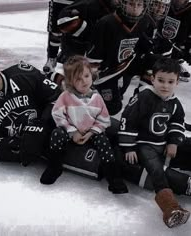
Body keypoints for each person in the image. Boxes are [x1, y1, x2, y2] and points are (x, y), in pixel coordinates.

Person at [118, 57, 190, 228]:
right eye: (161, 80)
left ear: (177, 82)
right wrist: (129, 147)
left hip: (164, 143)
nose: (165, 85)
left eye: (170, 81)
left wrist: (173, 142)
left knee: (187, 146)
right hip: (144, 145)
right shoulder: (144, 97)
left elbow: (177, 122)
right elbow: (128, 119)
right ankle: (170, 207)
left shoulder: (174, 103)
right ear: (152, 79)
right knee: (156, 170)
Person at [40, 55, 128, 194]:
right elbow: (57, 114)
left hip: (90, 133)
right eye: (78, 79)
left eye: (86, 76)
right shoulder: (66, 96)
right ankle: (54, 167)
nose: (84, 81)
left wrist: (92, 132)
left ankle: (113, 177)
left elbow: (104, 119)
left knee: (104, 141)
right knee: (56, 134)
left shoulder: (97, 98)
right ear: (70, 82)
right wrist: (71, 131)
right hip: (70, 132)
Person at [86, 0, 154, 115]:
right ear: (123, 4)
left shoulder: (145, 21)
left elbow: (141, 48)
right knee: (113, 108)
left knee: (155, 61)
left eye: (139, 5)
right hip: (107, 72)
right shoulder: (106, 23)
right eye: (131, 4)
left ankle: (141, 99)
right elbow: (93, 59)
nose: (135, 9)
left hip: (127, 65)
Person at [43, 0, 77, 73]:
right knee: (55, 31)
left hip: (78, 2)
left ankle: (73, 57)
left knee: (76, 29)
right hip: (58, 2)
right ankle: (52, 59)